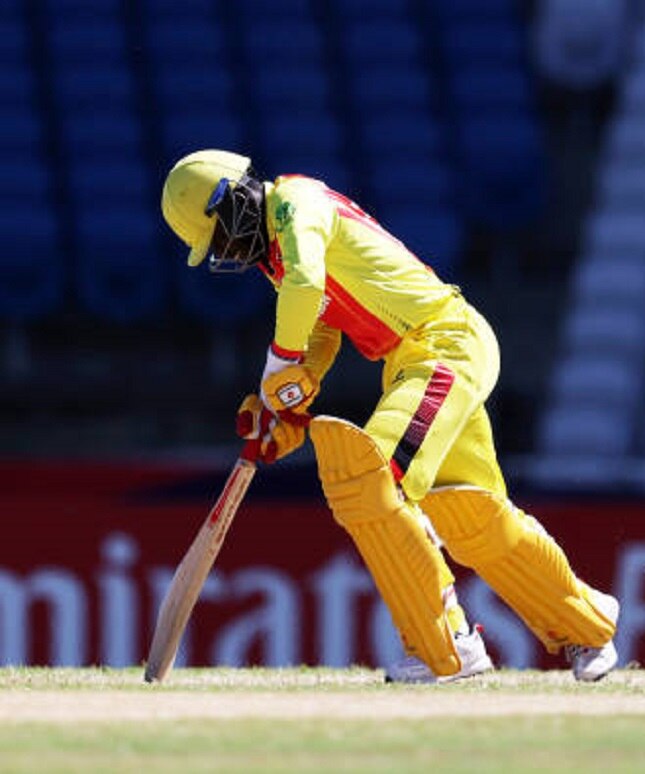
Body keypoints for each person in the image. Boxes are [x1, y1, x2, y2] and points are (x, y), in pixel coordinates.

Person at [161, 150, 620, 682]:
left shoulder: (295, 203)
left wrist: (277, 366)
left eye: (217, 236)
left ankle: (444, 645)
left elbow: (307, 286)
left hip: (443, 346)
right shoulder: (278, 255)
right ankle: (585, 624)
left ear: (232, 200)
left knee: (367, 476)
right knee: (469, 517)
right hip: (421, 356)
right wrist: (283, 404)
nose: (224, 251)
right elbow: (321, 330)